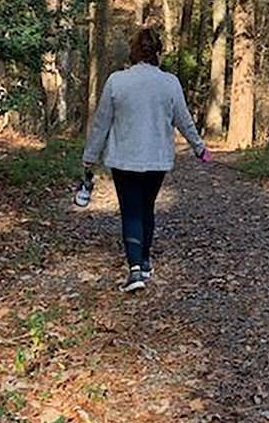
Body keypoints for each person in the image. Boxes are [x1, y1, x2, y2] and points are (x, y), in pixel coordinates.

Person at [81, 26, 211, 293]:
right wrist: (199, 148)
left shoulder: (117, 81)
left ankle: (135, 270)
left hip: (124, 160)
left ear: (133, 52)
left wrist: (89, 159)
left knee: (131, 210)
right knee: (146, 207)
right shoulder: (170, 82)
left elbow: (101, 124)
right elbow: (183, 121)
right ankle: (145, 260)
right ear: (158, 53)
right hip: (157, 160)